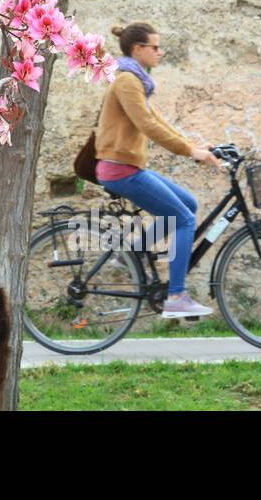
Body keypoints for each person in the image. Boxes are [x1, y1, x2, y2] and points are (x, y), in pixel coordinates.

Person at [94, 22, 224, 318]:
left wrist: (195, 147)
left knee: (187, 204)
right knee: (184, 218)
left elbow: (158, 120)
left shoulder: (136, 80)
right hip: (120, 169)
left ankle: (132, 254)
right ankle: (176, 296)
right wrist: (190, 151)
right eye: (155, 47)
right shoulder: (127, 80)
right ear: (138, 49)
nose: (160, 52)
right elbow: (147, 125)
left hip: (128, 167)